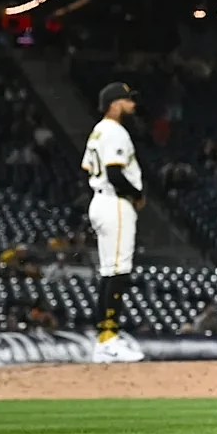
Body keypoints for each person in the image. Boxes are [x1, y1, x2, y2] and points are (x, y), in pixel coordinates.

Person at [80, 82, 146, 364]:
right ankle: (109, 340)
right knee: (118, 272)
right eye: (128, 100)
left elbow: (88, 168)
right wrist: (138, 195)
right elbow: (115, 174)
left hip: (100, 200)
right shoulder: (115, 131)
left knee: (109, 272)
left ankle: (104, 340)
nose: (132, 105)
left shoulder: (98, 131)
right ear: (115, 103)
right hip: (115, 203)